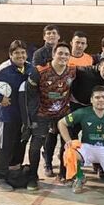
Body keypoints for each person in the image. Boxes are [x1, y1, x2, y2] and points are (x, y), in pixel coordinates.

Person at [0, 40, 33, 192]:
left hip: (22, 117)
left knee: (19, 145)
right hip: (6, 117)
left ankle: (14, 175)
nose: (20, 55)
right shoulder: (4, 69)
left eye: (22, 52)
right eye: (16, 53)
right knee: (3, 147)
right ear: (10, 55)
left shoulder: (30, 68)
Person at [26, 42, 76, 190]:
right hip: (42, 114)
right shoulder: (40, 71)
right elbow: (30, 94)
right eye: (60, 53)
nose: (63, 56)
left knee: (67, 144)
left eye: (66, 54)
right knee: (35, 146)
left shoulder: (72, 71)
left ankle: (63, 173)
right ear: (53, 54)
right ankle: (32, 178)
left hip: (63, 114)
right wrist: (32, 115)